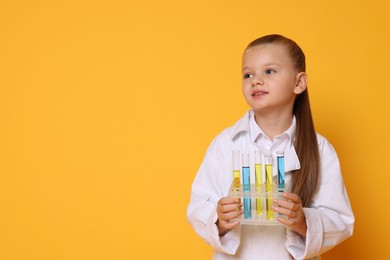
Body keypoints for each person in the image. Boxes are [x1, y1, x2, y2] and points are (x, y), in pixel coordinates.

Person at [187, 34, 354, 259]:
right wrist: (219, 219)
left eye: (269, 71)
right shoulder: (224, 144)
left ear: (298, 82)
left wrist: (304, 221)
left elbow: (340, 220)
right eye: (248, 74)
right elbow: (198, 204)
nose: (255, 80)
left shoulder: (320, 150)